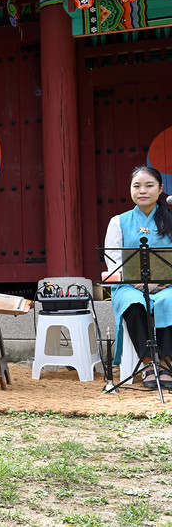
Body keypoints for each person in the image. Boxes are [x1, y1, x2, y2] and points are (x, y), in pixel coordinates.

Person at [104, 165, 172, 389]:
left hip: (167, 285)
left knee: (169, 301)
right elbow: (113, 260)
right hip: (129, 285)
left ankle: (166, 362)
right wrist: (135, 282)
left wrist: (161, 283)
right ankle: (148, 363)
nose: (142, 191)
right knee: (134, 304)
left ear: (160, 189)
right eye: (137, 186)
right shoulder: (118, 221)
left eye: (149, 185)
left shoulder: (170, 219)